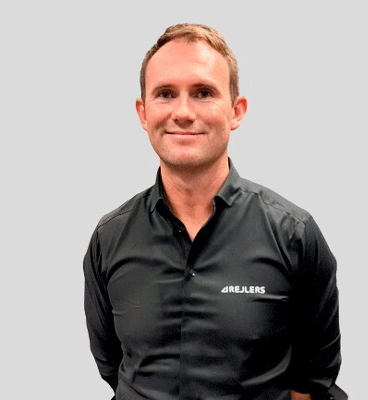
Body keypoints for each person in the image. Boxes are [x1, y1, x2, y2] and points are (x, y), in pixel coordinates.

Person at [84, 23, 346, 400]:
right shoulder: (109, 237)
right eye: (165, 94)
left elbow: (314, 376)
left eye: (203, 93)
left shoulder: (294, 234)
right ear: (143, 113)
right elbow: (112, 364)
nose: (183, 112)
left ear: (236, 111)